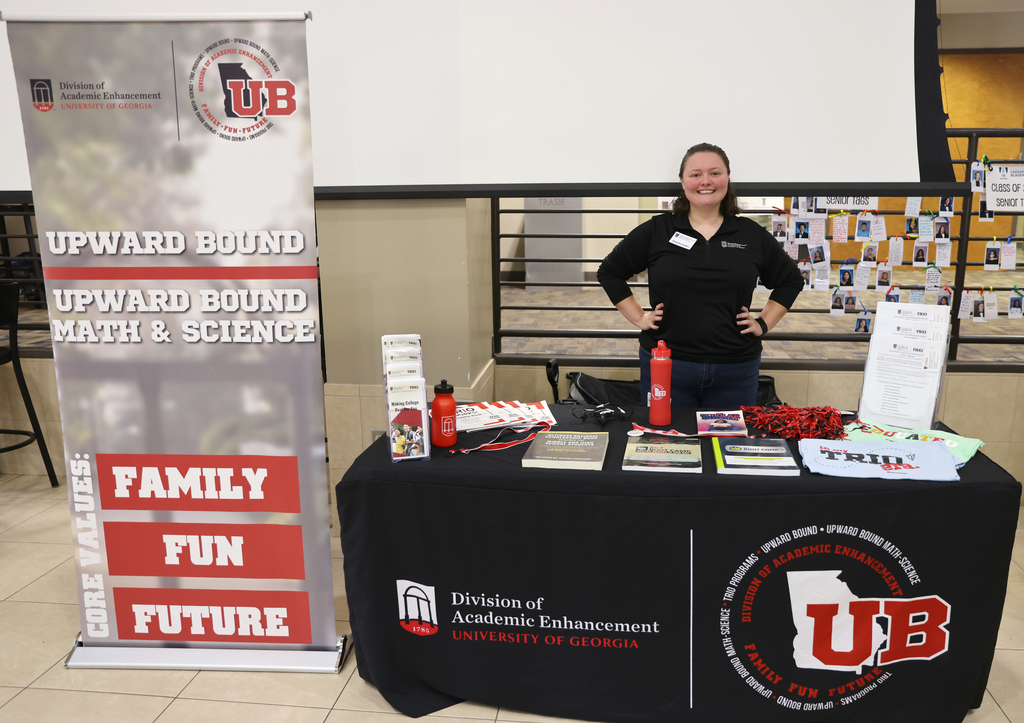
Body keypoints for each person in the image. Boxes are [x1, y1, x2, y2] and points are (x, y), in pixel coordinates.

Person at [597, 142, 803, 408]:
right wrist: (638, 317)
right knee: (666, 434)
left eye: (715, 173)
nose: (706, 181)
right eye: (696, 174)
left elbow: (791, 280)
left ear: (727, 178)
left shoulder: (750, 234)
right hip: (667, 364)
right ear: (683, 181)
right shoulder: (658, 230)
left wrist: (763, 323)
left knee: (730, 436)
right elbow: (610, 272)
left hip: (736, 369)